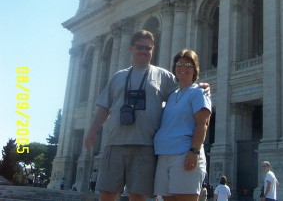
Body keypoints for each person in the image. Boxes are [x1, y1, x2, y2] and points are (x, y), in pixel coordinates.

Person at [84, 30, 210, 201]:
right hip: (114, 143)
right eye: (140, 47)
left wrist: (201, 86)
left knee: (138, 195)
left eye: (148, 48)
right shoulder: (118, 76)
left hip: (145, 146)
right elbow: (104, 107)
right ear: (131, 48)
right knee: (106, 193)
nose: (144, 51)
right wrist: (92, 131)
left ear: (153, 50)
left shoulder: (163, 76)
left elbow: (185, 88)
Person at [153, 49, 211, 201]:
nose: (183, 67)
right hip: (164, 155)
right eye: (179, 64)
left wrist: (194, 151)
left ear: (195, 69)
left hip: (185, 154)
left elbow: (202, 123)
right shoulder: (172, 95)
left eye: (188, 64)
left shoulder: (199, 92)